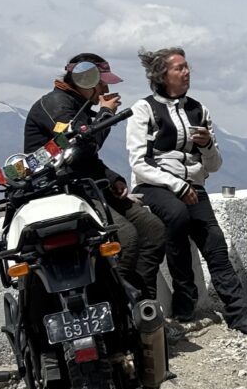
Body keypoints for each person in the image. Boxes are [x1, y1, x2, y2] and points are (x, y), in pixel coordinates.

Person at [126, 47, 247, 339]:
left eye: (187, 66)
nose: (187, 72)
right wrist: (177, 185)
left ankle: (239, 313)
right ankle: (185, 290)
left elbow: (215, 165)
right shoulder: (143, 110)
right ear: (161, 76)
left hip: (194, 186)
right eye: (179, 68)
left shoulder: (199, 109)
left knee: (215, 243)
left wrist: (206, 146)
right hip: (154, 187)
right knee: (176, 215)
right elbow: (139, 164)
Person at [23, 53, 167, 301]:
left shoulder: (77, 106)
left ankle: (145, 305)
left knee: (152, 230)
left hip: (91, 186)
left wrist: (111, 178)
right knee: (128, 238)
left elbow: (88, 158)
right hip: (64, 192)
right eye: (102, 83)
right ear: (87, 80)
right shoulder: (57, 106)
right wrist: (105, 114)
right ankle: (118, 303)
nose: (106, 89)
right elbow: (78, 149)